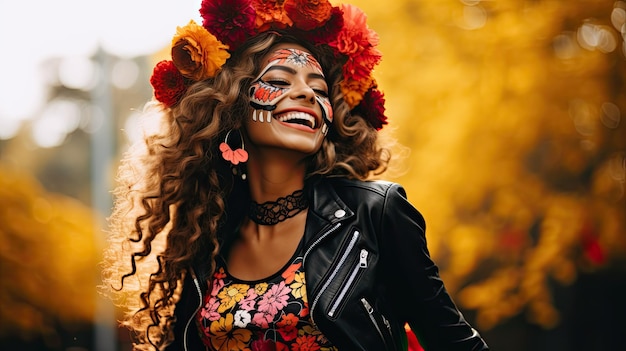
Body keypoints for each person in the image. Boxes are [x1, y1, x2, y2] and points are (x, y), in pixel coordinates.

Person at [101, 1, 490, 350]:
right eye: (279, 81)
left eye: (317, 88)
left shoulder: (376, 213)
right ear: (232, 106)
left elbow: (454, 342)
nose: (306, 94)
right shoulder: (206, 239)